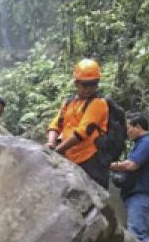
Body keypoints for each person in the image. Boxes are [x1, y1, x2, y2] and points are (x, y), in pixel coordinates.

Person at [47, 59, 111, 188]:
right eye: (84, 85)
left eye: (92, 85)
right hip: (70, 158)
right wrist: (51, 142)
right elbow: (55, 125)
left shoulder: (98, 103)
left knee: (94, 200)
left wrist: (58, 150)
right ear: (76, 83)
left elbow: (83, 132)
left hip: (90, 161)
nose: (88, 89)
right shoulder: (69, 102)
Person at [110, 114, 149, 242]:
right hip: (137, 195)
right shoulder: (141, 143)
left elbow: (131, 165)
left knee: (137, 236)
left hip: (141, 194)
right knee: (138, 232)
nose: (127, 133)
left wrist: (107, 165)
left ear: (138, 127)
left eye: (128, 128)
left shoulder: (148, 142)